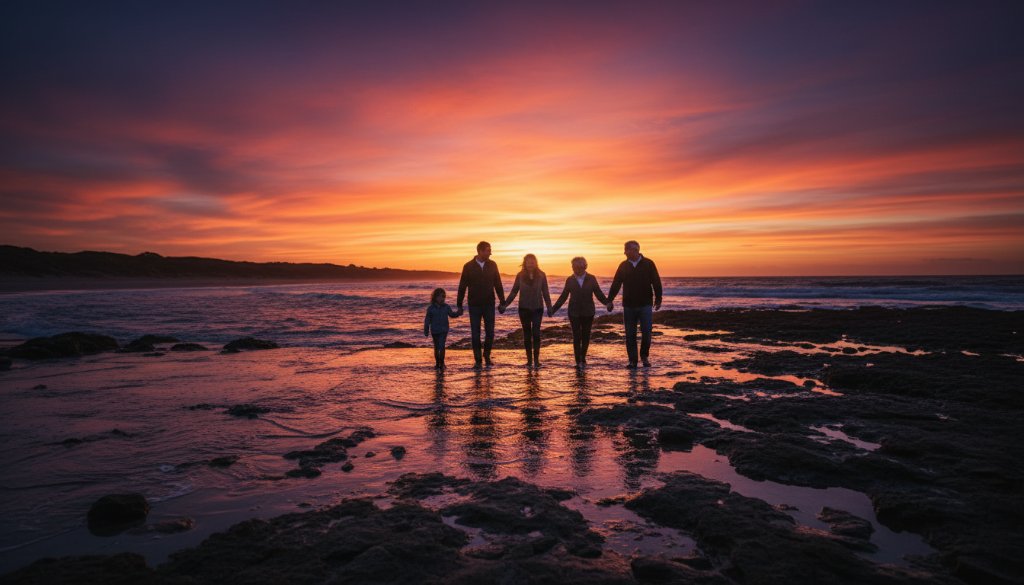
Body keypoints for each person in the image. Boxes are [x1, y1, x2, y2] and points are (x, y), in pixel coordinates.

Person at [607, 240, 663, 369]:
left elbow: (656, 282)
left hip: (645, 304)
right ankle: (632, 361)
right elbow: (616, 283)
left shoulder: (648, 263)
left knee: (647, 332)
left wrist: (658, 299)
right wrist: (609, 300)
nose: (624, 252)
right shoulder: (623, 265)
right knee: (630, 334)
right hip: (629, 305)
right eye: (625, 250)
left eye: (627, 250)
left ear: (636, 250)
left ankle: (644, 356)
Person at [550, 256, 611, 369]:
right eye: (573, 267)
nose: (575, 269)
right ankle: (578, 360)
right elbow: (563, 296)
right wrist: (553, 309)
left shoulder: (591, 278)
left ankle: (583, 357)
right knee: (576, 336)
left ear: (584, 267)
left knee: (586, 336)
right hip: (574, 312)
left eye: (577, 267)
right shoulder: (570, 279)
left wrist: (607, 303)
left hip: (588, 312)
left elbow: (598, 293)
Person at [457, 241, 506, 368]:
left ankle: (487, 356)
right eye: (488, 250)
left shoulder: (493, 265)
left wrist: (502, 301)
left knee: (490, 332)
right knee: (475, 333)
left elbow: (498, 284)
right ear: (480, 251)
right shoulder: (468, 266)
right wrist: (459, 304)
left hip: (489, 303)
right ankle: (478, 360)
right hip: (474, 305)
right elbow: (462, 286)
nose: (490, 253)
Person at [500, 253, 553, 368]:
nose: (530, 264)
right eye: (528, 262)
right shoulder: (520, 275)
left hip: (538, 308)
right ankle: (529, 361)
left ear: (536, 263)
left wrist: (549, 307)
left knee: (536, 334)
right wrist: (505, 305)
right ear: (525, 263)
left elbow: (545, 292)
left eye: (532, 262)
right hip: (523, 309)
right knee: (527, 335)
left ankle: (537, 360)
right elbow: (514, 292)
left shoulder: (541, 275)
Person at [424, 288, 461, 370]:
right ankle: (437, 363)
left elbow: (452, 315)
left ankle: (442, 362)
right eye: (440, 296)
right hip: (434, 330)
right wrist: (426, 330)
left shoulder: (446, 307)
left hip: (444, 330)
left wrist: (458, 313)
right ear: (435, 297)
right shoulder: (431, 308)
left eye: (444, 297)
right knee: (437, 347)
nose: (442, 298)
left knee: (442, 346)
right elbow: (427, 320)